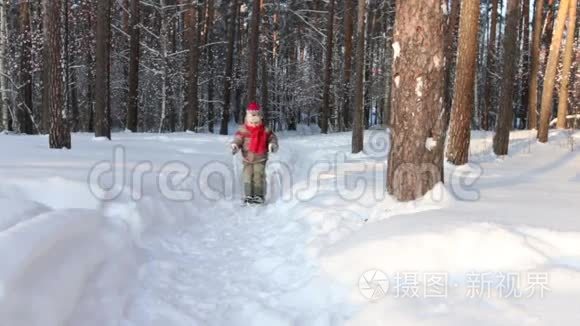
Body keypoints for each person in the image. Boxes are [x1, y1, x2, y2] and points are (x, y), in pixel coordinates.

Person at [231, 102, 278, 204]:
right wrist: (235, 145)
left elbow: (272, 138)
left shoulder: (265, 130)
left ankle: (258, 195)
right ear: (247, 116)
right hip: (246, 157)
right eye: (251, 114)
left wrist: (272, 145)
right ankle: (248, 195)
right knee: (247, 176)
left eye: (255, 114)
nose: (253, 117)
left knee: (258, 176)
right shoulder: (243, 129)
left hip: (260, 157)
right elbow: (238, 139)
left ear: (260, 115)